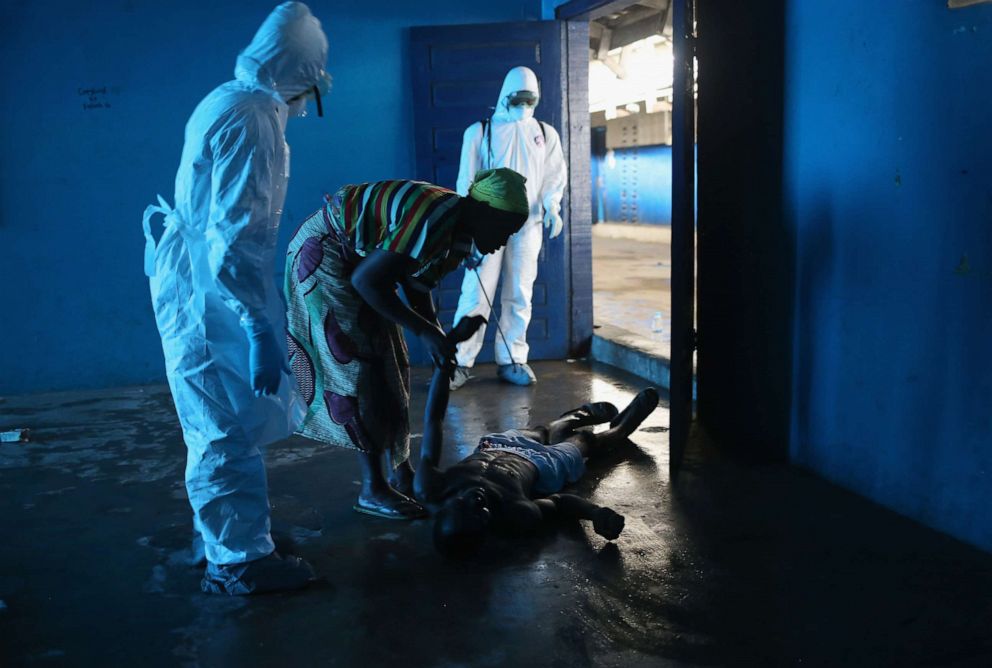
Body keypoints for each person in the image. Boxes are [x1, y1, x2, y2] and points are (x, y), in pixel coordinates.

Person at [141, 2, 330, 595]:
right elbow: (234, 242)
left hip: (195, 281)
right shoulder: (254, 119)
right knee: (221, 423)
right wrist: (258, 330)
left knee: (216, 415)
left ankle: (223, 533)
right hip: (209, 291)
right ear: (301, 76)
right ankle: (239, 560)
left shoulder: (229, 97)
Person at [284, 168, 530, 521]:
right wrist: (428, 333)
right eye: (505, 229)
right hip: (326, 256)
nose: (504, 241)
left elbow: (416, 287)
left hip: (359, 265)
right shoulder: (435, 216)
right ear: (484, 212)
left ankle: (402, 471)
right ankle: (373, 488)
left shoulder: (459, 237)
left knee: (391, 362)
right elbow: (366, 280)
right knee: (357, 368)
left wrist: (437, 335)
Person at [414, 317, 660, 557]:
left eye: (464, 504)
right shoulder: (517, 512)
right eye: (481, 512)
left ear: (446, 507)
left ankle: (572, 418)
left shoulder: (430, 487)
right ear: (488, 525)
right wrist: (595, 513)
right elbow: (559, 503)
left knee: (544, 431)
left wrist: (448, 351)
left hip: (495, 446)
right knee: (586, 441)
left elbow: (433, 418)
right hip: (543, 465)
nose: (476, 500)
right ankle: (621, 428)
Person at [449, 66, 569, 390]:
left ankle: (513, 358)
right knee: (476, 293)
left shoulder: (545, 133)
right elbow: (466, 178)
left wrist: (552, 208)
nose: (524, 105)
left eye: (531, 100)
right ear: (505, 95)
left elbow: (553, 176)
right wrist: (465, 224)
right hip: (487, 225)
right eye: (519, 99)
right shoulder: (480, 131)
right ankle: (458, 361)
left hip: (528, 226)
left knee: (519, 293)